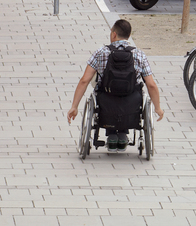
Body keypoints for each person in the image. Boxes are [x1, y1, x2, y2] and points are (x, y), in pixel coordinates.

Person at [67, 19, 164, 151]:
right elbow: (151, 85)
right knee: (134, 93)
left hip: (105, 101)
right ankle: (123, 135)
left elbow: (84, 80)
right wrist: (157, 108)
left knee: (102, 90)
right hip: (132, 102)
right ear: (129, 36)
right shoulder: (139, 54)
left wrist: (74, 106)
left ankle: (112, 136)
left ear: (113, 34)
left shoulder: (101, 52)